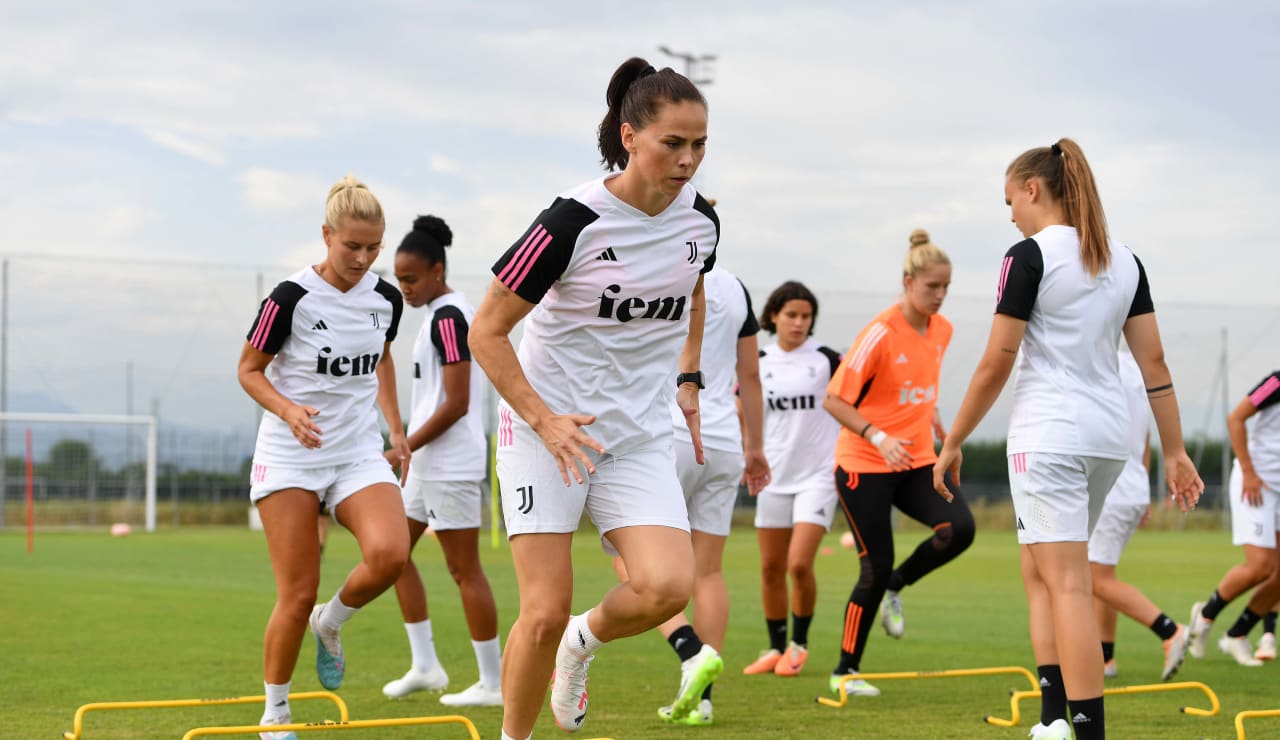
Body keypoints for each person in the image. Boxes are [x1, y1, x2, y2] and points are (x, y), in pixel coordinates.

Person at [468, 57, 722, 740]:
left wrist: (689, 378)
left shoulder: (702, 223)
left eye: (699, 144)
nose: (689, 159)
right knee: (542, 611)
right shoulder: (570, 222)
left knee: (669, 587)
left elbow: (694, 287)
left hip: (636, 437)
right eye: (674, 142)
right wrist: (545, 420)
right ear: (631, 134)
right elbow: (485, 331)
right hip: (548, 435)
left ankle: (580, 648)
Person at [934, 139, 1203, 740]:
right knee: (1042, 574)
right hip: (1110, 440)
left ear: (1034, 189)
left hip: (1049, 436)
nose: (1009, 214)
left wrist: (953, 440)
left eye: (1010, 200)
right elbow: (1154, 365)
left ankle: (1084, 729)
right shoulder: (1125, 259)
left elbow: (995, 361)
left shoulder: (1027, 255)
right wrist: (1176, 451)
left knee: (1069, 584)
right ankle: (1053, 717)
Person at [237, 175, 411, 740]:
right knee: (296, 591)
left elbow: (382, 361)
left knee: (391, 554)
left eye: (373, 248)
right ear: (326, 235)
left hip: (356, 451)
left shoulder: (386, 299)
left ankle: (331, 623)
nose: (362, 259)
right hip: (290, 455)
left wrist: (395, 425)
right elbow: (248, 371)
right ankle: (276, 713)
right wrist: (288, 411)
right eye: (351, 246)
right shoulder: (289, 298)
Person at [612, 261, 771, 726]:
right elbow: (751, 378)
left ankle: (689, 650)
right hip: (723, 442)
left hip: (670, 431)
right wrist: (756, 448)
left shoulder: (658, 268)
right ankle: (702, 700)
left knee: (628, 555)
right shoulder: (738, 287)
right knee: (708, 572)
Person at [822, 231, 975, 698]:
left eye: (946, 287)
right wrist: (877, 435)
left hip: (916, 461)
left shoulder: (943, 330)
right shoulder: (880, 333)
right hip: (864, 464)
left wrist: (947, 438)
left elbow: (921, 393)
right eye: (932, 287)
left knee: (959, 529)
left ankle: (896, 586)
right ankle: (845, 671)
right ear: (908, 282)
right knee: (874, 562)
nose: (940, 296)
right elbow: (834, 400)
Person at [380, 215, 502, 706]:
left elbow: (456, 402)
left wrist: (404, 444)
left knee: (464, 570)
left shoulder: (451, 316)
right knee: (392, 555)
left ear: (436, 270)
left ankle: (492, 684)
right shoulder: (433, 315)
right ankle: (425, 666)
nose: (403, 288)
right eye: (399, 280)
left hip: (449, 463)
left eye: (410, 278)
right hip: (425, 462)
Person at [739, 281, 841, 679]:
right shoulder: (758, 361)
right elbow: (741, 409)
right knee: (770, 567)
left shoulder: (829, 360)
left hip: (818, 477)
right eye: (792, 315)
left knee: (799, 564)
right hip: (772, 478)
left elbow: (857, 398)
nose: (799, 323)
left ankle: (798, 646)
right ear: (774, 317)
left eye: (806, 316)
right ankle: (775, 647)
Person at [1088, 348, 1189, 681]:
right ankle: (1105, 659)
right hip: (1132, 486)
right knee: (1104, 576)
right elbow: (1144, 437)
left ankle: (1170, 631)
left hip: (1111, 487)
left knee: (1095, 580)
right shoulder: (1137, 366)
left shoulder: (1099, 361)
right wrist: (1143, 493)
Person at [1186, 367, 1280, 666]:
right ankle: (1205, 614)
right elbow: (1235, 418)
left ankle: (1236, 635)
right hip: (1255, 483)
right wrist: (1250, 473)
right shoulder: (1277, 381)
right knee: (1262, 565)